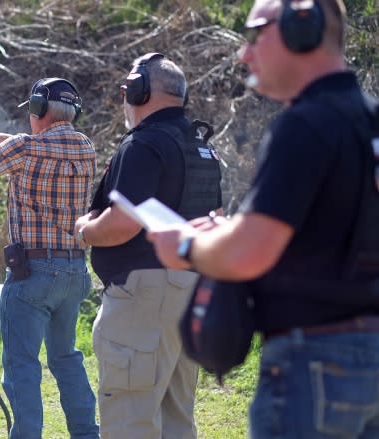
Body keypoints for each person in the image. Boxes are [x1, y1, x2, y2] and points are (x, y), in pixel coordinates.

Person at [147, 0, 379, 437]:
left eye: (256, 34)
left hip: (312, 363)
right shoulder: (368, 120)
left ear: (299, 29)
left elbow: (249, 254)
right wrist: (232, 232)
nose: (245, 52)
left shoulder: (305, 125)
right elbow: (324, 232)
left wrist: (183, 246)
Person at [0, 78, 99, 438]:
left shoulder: (27, 148)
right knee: (65, 358)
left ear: (39, 109)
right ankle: (87, 434)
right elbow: (7, 144)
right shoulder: (86, 147)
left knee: (22, 366)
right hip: (74, 270)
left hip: (33, 275)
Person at [74, 53, 222, 439]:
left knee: (129, 419)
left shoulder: (143, 144)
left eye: (127, 90)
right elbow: (215, 217)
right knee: (175, 419)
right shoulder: (202, 147)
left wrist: (85, 230)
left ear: (139, 91)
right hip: (190, 289)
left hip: (144, 296)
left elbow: (122, 224)